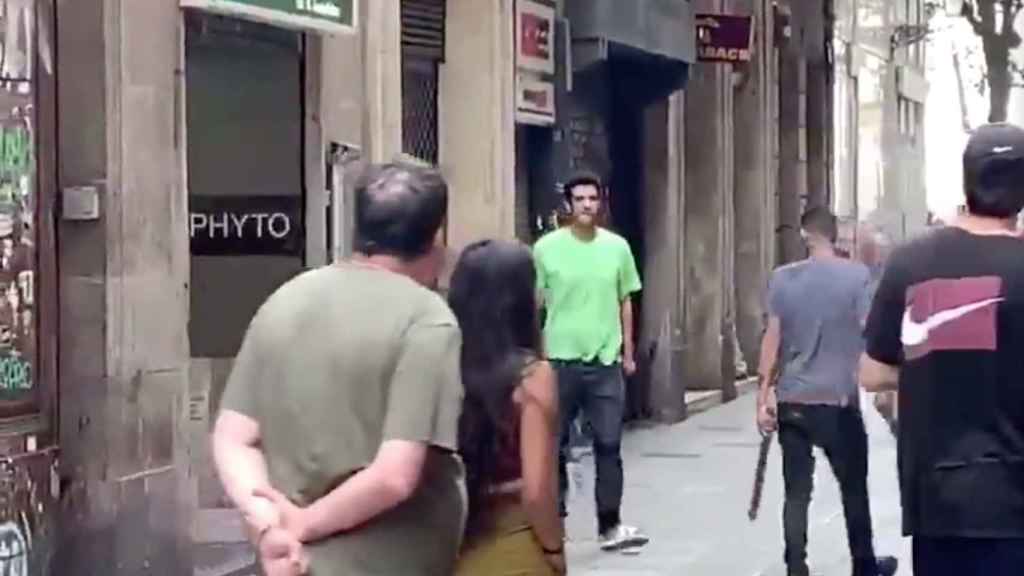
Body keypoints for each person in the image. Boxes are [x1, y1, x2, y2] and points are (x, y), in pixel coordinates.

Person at [211, 162, 466, 576]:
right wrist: (302, 524)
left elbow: (234, 436)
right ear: (436, 240)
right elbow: (394, 476)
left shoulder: (285, 300)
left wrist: (269, 526)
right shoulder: (427, 319)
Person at [861, 122, 1024, 576]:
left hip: (936, 500)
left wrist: (939, 360)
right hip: (1013, 502)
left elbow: (872, 373)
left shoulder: (911, 262)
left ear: (968, 180)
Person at [757, 206, 898, 576]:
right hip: (838, 401)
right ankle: (864, 565)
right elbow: (870, 330)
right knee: (853, 489)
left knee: (796, 493)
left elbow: (772, 340)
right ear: (835, 236)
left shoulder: (782, 279)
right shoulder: (856, 277)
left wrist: (763, 397)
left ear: (804, 235)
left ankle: (795, 567)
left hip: (792, 400)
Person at [533, 171, 648, 552]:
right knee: (554, 445)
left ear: (601, 203)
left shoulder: (617, 248)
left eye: (592, 199)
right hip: (559, 361)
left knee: (609, 444)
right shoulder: (546, 249)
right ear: (568, 205)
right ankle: (555, 521)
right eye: (579, 199)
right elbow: (535, 303)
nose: (586, 205)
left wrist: (628, 352)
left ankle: (610, 524)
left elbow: (625, 301)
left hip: (605, 362)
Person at [449, 240, 565, 575]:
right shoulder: (531, 376)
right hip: (511, 539)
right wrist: (553, 548)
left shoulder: (442, 364)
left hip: (449, 542)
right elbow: (537, 490)